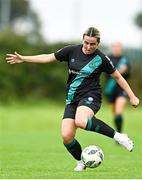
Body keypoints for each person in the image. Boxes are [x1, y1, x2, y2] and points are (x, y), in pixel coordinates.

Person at [6, 27, 139, 172]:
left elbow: (118, 76)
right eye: (86, 42)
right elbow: (48, 57)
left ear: (98, 44)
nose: (88, 47)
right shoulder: (71, 51)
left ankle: (119, 137)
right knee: (67, 136)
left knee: (81, 121)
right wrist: (24, 58)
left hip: (91, 96)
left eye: (92, 44)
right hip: (72, 98)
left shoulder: (101, 58)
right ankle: (80, 162)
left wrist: (132, 96)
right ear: (82, 39)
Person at [104, 42, 131, 133]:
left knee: (119, 112)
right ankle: (118, 134)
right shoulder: (108, 59)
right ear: (112, 48)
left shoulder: (125, 60)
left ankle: (119, 134)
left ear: (121, 48)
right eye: (115, 47)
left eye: (118, 47)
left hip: (121, 89)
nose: (117, 49)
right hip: (111, 90)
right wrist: (118, 72)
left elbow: (128, 75)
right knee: (115, 114)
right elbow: (105, 75)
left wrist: (124, 72)